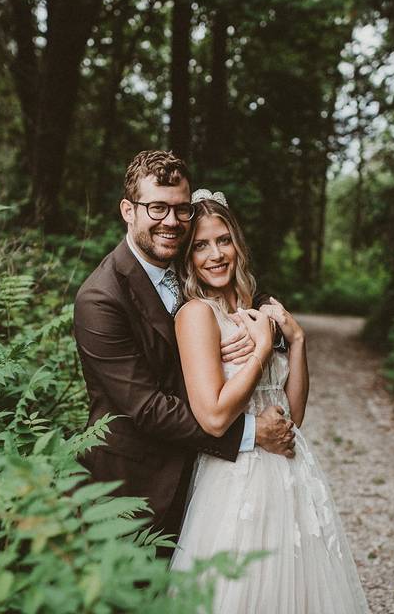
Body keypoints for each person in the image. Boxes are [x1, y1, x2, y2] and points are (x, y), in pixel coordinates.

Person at [73, 150, 296, 548]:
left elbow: (249, 296)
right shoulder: (100, 299)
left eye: (181, 209)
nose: (172, 222)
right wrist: (248, 433)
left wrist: (274, 330)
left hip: (203, 478)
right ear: (128, 210)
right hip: (136, 489)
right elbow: (147, 407)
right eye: (157, 208)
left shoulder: (186, 258)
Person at [169, 189, 371, 613]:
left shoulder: (256, 309)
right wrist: (262, 349)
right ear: (187, 258)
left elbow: (294, 415)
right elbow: (216, 414)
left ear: (238, 245)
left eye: (223, 240)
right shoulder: (196, 315)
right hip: (236, 478)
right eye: (201, 245)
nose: (215, 254)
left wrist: (296, 341)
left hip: (291, 473)